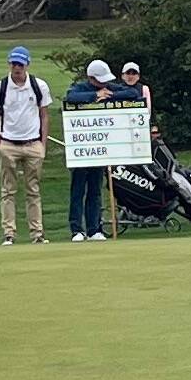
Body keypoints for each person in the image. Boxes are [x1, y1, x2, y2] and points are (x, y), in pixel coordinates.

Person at [0, 47, 52, 245]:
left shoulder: (38, 85)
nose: (17, 68)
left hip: (33, 144)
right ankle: (9, 233)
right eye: (14, 64)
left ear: (27, 65)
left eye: (20, 64)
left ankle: (37, 233)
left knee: (33, 190)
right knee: (8, 191)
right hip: (8, 144)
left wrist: (43, 143)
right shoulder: (0, 88)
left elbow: (44, 115)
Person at [57, 58, 116, 243]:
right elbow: (71, 98)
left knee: (95, 190)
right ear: (91, 78)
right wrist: (95, 96)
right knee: (78, 190)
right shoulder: (80, 89)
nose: (104, 83)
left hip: (99, 149)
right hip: (81, 149)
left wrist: (110, 94)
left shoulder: (109, 87)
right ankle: (77, 229)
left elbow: (129, 92)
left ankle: (94, 229)